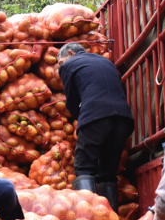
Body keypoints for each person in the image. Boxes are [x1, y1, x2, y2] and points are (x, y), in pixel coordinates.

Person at [56, 42, 135, 210]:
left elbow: (72, 101)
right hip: (124, 118)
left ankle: (90, 217)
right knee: (108, 172)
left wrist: (81, 119)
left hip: (95, 115)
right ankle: (112, 217)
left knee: (84, 166)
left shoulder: (69, 65)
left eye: (60, 62)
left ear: (70, 53)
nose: (60, 67)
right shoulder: (106, 62)